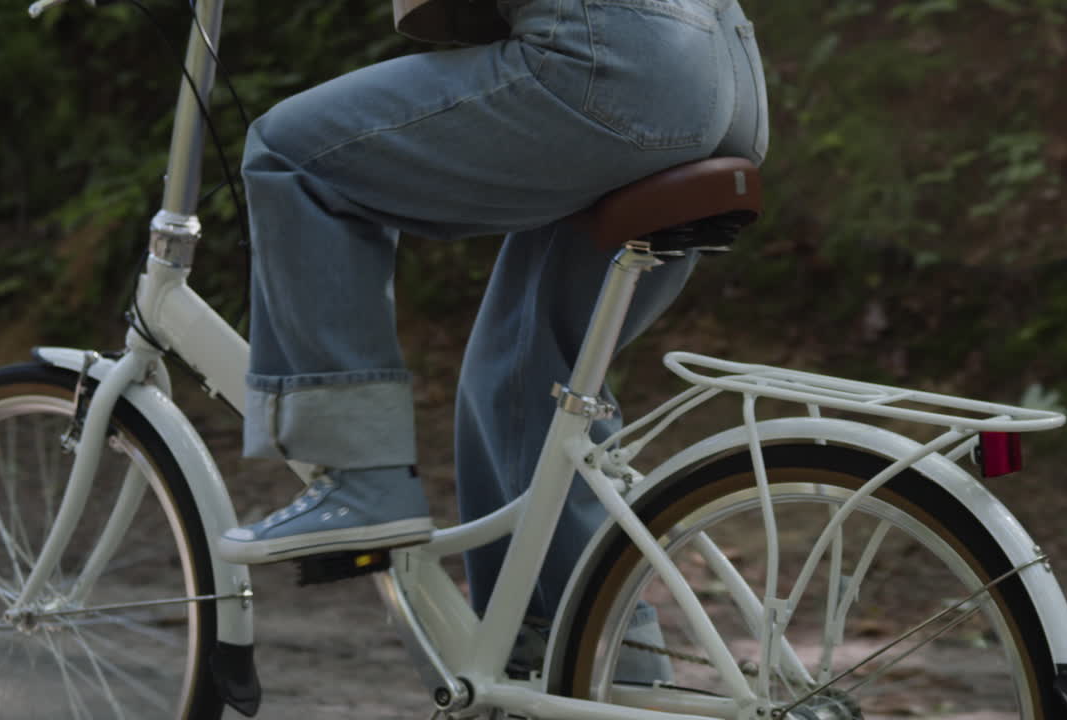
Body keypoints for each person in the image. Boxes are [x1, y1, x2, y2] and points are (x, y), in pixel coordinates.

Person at [215, 0, 769, 624]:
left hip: (611, 62)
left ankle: (360, 479)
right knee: (524, 384)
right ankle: (578, 670)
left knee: (291, 154)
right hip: (722, 70)